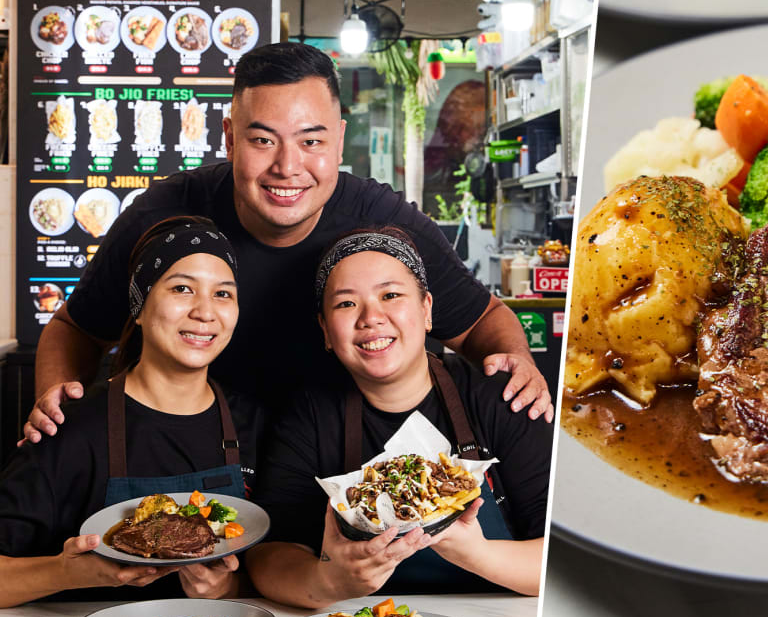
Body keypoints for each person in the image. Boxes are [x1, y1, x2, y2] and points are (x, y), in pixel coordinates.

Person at [26, 42, 553, 446]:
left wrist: (517, 363)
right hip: (191, 450)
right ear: (230, 138)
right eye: (262, 140)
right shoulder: (165, 214)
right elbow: (75, 327)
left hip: (343, 456)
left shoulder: (383, 221)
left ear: (339, 141)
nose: (287, 167)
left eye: (311, 141)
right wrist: (55, 402)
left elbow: (482, 321)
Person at [247, 227, 551, 606]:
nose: (371, 318)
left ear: (426, 310)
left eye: (390, 295)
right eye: (346, 304)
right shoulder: (310, 415)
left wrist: (477, 554)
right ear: (325, 329)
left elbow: (566, 558)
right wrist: (329, 581)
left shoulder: (501, 396)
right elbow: (268, 556)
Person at [0, 217, 265, 607]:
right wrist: (65, 573)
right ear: (139, 306)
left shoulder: (254, 423)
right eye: (182, 288)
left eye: (223, 294)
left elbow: (272, 573)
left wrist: (224, 590)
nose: (206, 312)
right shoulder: (68, 429)